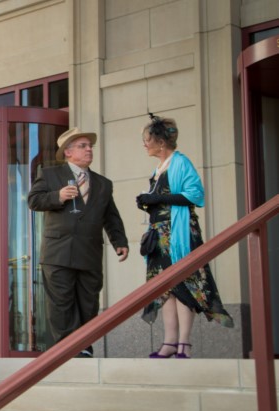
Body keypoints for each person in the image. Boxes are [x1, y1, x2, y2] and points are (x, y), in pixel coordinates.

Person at [136, 114, 234, 358]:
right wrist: (147, 202)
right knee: (164, 288)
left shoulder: (180, 163)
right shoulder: (158, 168)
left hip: (179, 234)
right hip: (159, 235)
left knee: (183, 283)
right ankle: (170, 342)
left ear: (159, 141)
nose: (144, 144)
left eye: (147, 139)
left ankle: (184, 343)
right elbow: (165, 198)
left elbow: (195, 195)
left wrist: (157, 198)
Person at [27, 128, 129, 357]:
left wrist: (119, 241)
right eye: (83, 146)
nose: (89, 149)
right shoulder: (50, 174)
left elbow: (111, 215)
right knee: (61, 303)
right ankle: (68, 348)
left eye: (89, 146)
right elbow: (33, 200)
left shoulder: (103, 183)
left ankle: (84, 346)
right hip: (58, 251)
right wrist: (58, 196)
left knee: (88, 302)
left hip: (89, 252)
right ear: (68, 152)